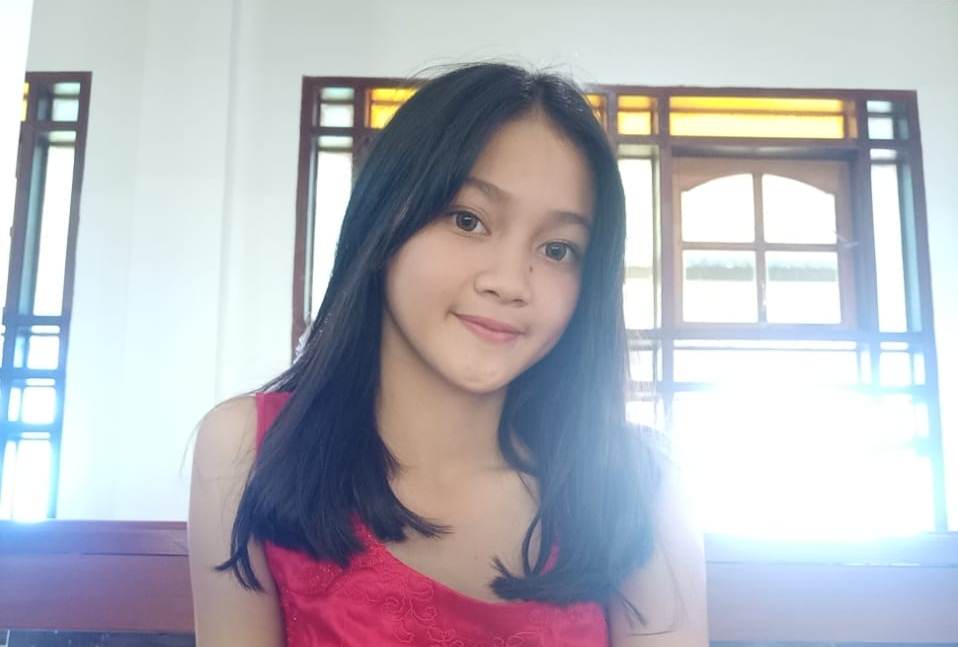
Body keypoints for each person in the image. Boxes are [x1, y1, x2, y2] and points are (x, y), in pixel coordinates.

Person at [187, 61, 709, 646]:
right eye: (468, 220)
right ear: (383, 222)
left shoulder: (637, 485)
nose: (510, 282)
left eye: (558, 249)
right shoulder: (248, 448)